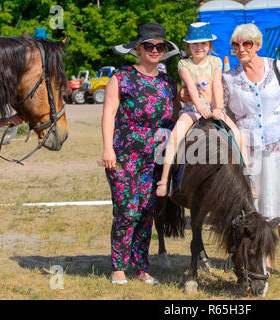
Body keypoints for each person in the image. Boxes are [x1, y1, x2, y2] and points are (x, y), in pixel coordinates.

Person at [221, 23, 280, 278]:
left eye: (247, 44)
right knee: (258, 205)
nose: (241, 49)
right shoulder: (229, 79)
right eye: (236, 45)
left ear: (257, 45)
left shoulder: (277, 68)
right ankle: (264, 258)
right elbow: (224, 114)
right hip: (251, 153)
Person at [103, 23, 180, 285]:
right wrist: (107, 148)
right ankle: (119, 268)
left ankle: (141, 267)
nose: (155, 50)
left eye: (160, 46)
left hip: (156, 158)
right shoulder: (121, 77)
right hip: (124, 155)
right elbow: (108, 114)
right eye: (149, 46)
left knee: (147, 212)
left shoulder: (168, 82)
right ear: (138, 49)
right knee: (126, 211)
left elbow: (178, 117)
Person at [156, 22, 253, 198]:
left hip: (214, 108)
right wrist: (200, 108)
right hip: (193, 110)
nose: (199, 47)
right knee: (175, 136)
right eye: (195, 44)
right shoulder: (184, 64)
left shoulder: (215, 61)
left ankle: (248, 178)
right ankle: (165, 179)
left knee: (238, 136)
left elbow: (217, 85)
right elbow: (191, 88)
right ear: (189, 46)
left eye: (203, 43)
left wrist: (218, 107)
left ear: (209, 45)